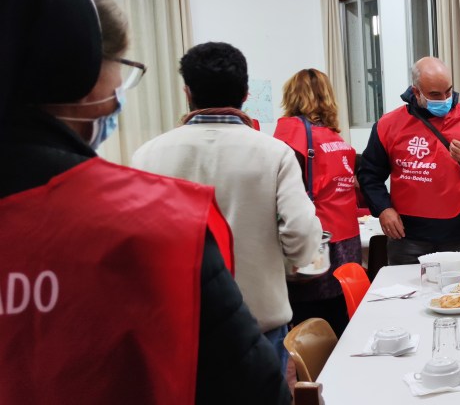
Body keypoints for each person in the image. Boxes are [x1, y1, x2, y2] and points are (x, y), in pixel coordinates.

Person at [0, 0, 288, 403]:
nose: (119, 91)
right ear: (80, 71)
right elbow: (252, 389)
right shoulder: (160, 220)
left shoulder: (147, 155)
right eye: (121, 69)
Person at [132, 42, 321, 375]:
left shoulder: (147, 156)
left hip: (180, 325)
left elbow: (138, 245)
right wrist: (290, 260)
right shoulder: (273, 153)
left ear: (187, 92)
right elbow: (302, 236)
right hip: (258, 324)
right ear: (246, 94)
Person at [357, 57, 460, 265]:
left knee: (458, 287)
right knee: (404, 287)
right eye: (435, 94)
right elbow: (369, 174)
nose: (445, 99)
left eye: (448, 91)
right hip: (406, 237)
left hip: (457, 235)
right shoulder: (388, 125)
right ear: (416, 91)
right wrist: (383, 208)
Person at [273, 68, 359, 337]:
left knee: (310, 327)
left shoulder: (291, 135)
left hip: (316, 242)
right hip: (346, 239)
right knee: (340, 318)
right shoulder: (333, 137)